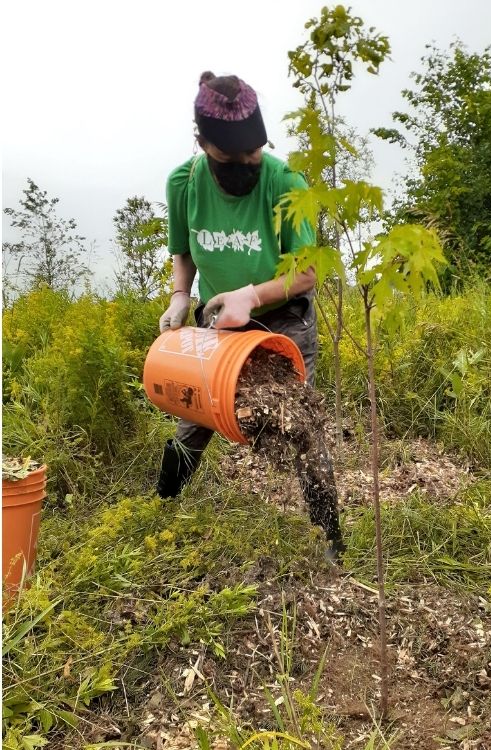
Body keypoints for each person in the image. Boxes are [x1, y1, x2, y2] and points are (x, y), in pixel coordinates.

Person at [156, 70, 345, 560]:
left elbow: (306, 273)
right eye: (230, 157)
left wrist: (252, 297)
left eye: (252, 154)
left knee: (301, 427)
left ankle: (330, 544)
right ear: (202, 144)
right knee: (192, 419)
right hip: (219, 320)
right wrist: (181, 294)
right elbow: (185, 251)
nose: (244, 165)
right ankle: (158, 511)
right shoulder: (183, 183)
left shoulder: (285, 183)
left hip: (282, 322)